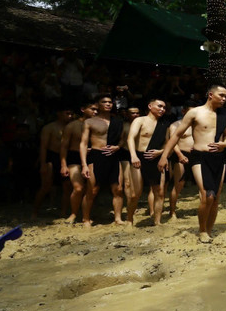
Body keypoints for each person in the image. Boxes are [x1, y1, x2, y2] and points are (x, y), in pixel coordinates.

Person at [158, 84, 226, 242]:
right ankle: (202, 230)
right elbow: (177, 134)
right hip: (199, 156)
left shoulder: (224, 114)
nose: (224, 98)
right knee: (208, 195)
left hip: (219, 157)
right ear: (210, 94)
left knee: (216, 197)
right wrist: (164, 156)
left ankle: (209, 230)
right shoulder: (195, 112)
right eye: (221, 95)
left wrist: (224, 144)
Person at [80, 94, 126, 226]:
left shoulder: (117, 121)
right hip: (96, 155)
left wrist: (117, 147)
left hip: (113, 156)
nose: (108, 104)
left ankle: (117, 218)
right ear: (98, 104)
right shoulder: (89, 122)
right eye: (104, 102)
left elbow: (123, 139)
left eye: (110, 102)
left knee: (118, 189)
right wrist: (84, 164)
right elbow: (83, 144)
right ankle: (86, 219)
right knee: (92, 190)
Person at [126, 97, 168, 226]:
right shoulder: (140, 120)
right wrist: (133, 155)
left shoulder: (164, 124)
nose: (162, 109)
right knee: (135, 194)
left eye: (164, 108)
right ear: (150, 106)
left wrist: (160, 153)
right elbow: (130, 138)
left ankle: (157, 221)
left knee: (159, 192)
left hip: (156, 159)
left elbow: (168, 144)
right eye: (159, 106)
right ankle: (129, 219)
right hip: (139, 157)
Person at [60, 100, 97, 224]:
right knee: (78, 188)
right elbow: (64, 146)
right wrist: (63, 164)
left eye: (97, 109)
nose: (95, 112)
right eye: (92, 109)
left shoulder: (99, 124)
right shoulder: (72, 126)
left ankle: (86, 215)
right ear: (83, 109)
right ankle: (73, 213)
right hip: (74, 157)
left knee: (91, 189)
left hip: (93, 157)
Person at [32, 106, 73, 218]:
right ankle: (35, 211)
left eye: (71, 114)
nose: (70, 116)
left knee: (67, 186)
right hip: (51, 156)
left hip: (66, 157)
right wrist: (43, 164)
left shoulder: (71, 127)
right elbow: (43, 147)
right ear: (59, 113)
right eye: (67, 113)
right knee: (46, 186)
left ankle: (63, 213)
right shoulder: (49, 128)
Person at [166, 116, 193, 219]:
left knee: (202, 184)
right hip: (181, 154)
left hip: (197, 155)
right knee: (179, 184)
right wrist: (180, 155)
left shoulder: (198, 123)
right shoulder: (175, 125)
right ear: (184, 111)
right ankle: (172, 211)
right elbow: (173, 141)